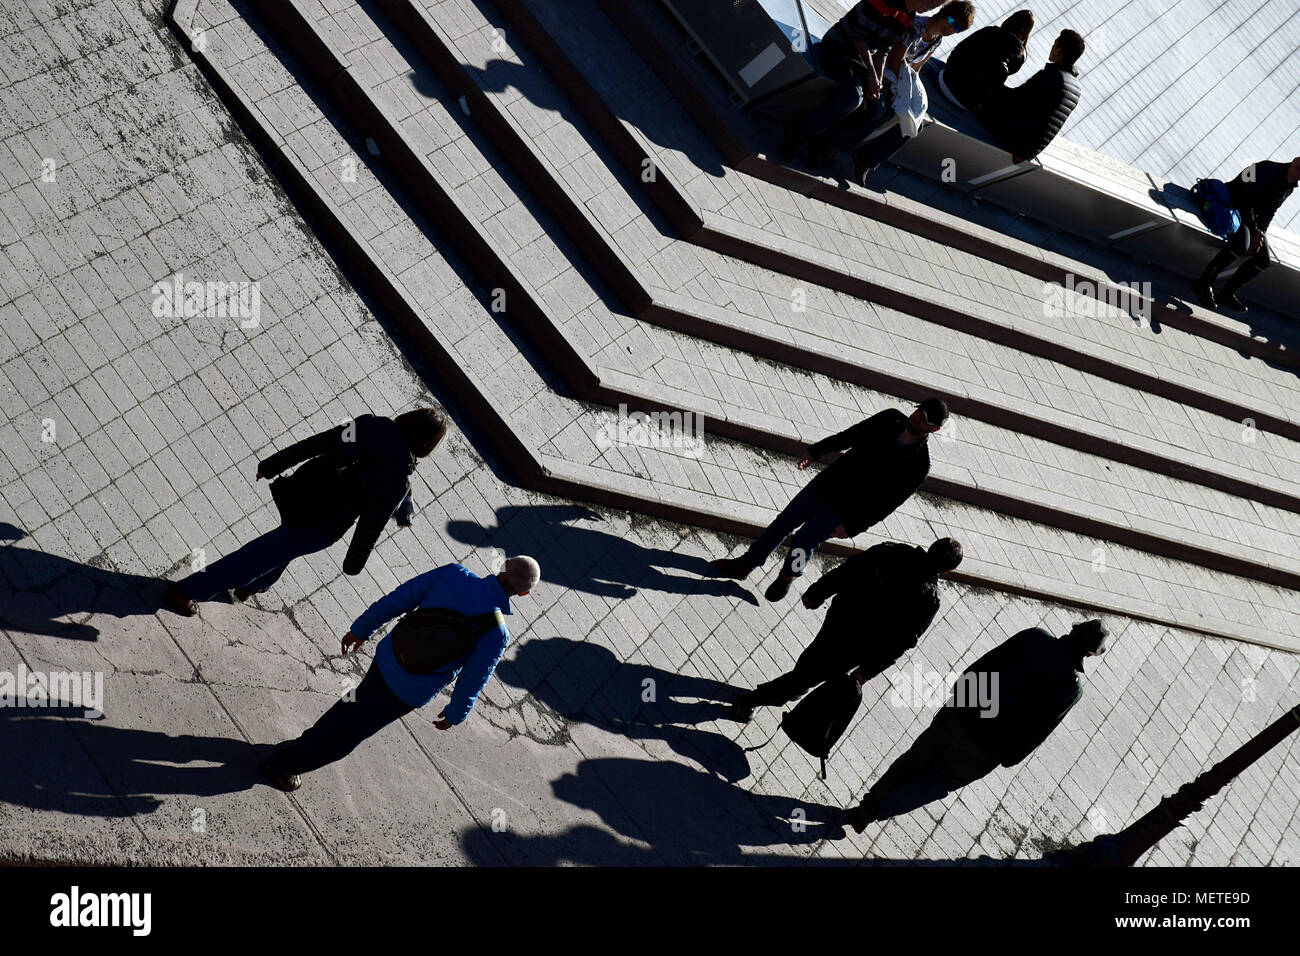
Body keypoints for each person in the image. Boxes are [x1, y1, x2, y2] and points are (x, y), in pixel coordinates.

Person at [259, 556, 541, 792]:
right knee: (348, 736)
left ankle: (304, 744)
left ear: (501, 567)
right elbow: (473, 679)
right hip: (407, 692)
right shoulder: (496, 632)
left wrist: (361, 629)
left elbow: (399, 599)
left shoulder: (453, 574)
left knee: (351, 703)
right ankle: (283, 765)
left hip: (387, 659)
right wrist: (456, 714)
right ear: (523, 593)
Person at [161, 409, 447, 616]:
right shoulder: (400, 479)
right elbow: (370, 527)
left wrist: (273, 464)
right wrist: (353, 565)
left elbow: (319, 442)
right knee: (258, 556)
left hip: (302, 492)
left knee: (281, 550)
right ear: (425, 447)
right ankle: (186, 591)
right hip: (322, 523)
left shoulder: (368, 424)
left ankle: (251, 587)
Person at [845, 619, 1108, 831]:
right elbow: (1039, 730)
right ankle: (875, 811)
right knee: (937, 782)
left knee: (916, 757)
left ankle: (871, 800)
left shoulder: (1035, 637)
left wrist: (961, 688)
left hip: (963, 710)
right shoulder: (1070, 688)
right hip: (987, 746)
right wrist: (1010, 757)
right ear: (1088, 654)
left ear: (1073, 630)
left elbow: (988, 661)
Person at [712, 398, 946, 602]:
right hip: (827, 483)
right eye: (918, 411)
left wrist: (855, 526)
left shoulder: (919, 464)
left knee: (803, 542)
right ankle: (746, 564)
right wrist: (815, 452)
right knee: (783, 522)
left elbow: (888, 502)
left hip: (845, 508)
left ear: (933, 429)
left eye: (923, 418)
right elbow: (851, 434)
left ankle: (788, 575)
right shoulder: (890, 418)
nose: (916, 417)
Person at [728, 537, 963, 720]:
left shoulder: (893, 550)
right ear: (947, 571)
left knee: (814, 659)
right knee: (807, 675)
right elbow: (902, 642)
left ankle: (792, 686)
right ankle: (750, 700)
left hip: (840, 616)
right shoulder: (929, 598)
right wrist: (869, 670)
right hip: (860, 645)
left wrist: (818, 592)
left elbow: (850, 569)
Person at [781, 0, 947, 166]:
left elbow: (884, 50)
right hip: (838, 48)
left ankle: (824, 141)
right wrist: (871, 74)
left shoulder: (908, 15)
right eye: (930, 0)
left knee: (879, 107)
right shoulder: (882, 2)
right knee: (854, 96)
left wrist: (878, 81)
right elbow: (858, 37)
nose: (931, 6)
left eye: (937, 4)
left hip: (859, 60)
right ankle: (798, 132)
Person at [852, 1, 977, 185]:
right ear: (944, 13)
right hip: (885, 72)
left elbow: (916, 68)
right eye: (951, 21)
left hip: (898, 80)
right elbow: (894, 60)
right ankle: (839, 145)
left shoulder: (936, 39)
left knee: (914, 126)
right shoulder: (916, 27)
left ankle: (867, 160)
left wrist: (910, 95)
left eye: (957, 28)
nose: (951, 28)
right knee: (883, 110)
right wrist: (901, 92)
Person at [1193, 157, 1300, 314]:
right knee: (1241, 245)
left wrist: (1261, 234)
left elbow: (1270, 212)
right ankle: (1203, 284)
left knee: (1263, 259)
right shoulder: (1267, 169)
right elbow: (1244, 198)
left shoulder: (1289, 187)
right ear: (1294, 161)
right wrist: (1255, 231)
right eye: (1298, 168)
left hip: (1250, 217)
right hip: (1233, 205)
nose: (1297, 174)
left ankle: (1226, 294)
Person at [980, 28, 1085, 162]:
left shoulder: (1051, 77)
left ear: (1059, 51)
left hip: (1013, 141)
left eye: (1054, 45)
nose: (1051, 48)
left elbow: (1014, 100)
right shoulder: (1075, 88)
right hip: (1029, 150)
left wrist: (995, 85)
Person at [938, 9, 1034, 112]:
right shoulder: (1019, 57)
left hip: (947, 82)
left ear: (1010, 20)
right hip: (969, 102)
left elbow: (956, 54)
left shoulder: (989, 32)